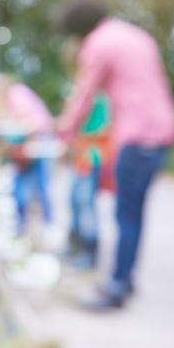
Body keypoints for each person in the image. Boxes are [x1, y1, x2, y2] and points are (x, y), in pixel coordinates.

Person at [55, 0, 174, 309]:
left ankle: (116, 287)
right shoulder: (136, 36)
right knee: (134, 213)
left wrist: (64, 133)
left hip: (137, 136)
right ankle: (124, 279)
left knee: (126, 214)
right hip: (162, 130)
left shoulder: (98, 45)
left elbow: (85, 94)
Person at [0, 73, 55, 238]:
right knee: (19, 191)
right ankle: (21, 230)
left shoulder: (17, 94)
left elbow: (33, 124)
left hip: (38, 142)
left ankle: (47, 229)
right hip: (21, 148)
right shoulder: (2, 103)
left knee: (40, 189)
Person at [64, 93, 110, 270]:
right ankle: (74, 247)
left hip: (91, 159)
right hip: (81, 159)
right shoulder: (86, 95)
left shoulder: (97, 100)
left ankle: (89, 254)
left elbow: (99, 130)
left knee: (85, 205)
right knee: (74, 202)